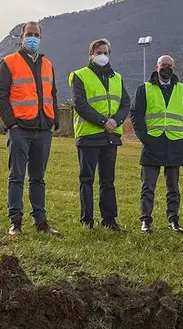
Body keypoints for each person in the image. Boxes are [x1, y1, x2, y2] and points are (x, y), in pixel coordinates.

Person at [0, 21, 61, 237]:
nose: (33, 37)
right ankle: (16, 222)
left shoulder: (48, 64)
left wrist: (54, 120)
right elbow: (0, 95)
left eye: (36, 34)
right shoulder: (9, 62)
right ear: (21, 37)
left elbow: (53, 93)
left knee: (38, 178)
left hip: (43, 128)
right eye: (29, 34)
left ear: (41, 38)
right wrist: (11, 124)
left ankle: (41, 222)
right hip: (20, 129)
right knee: (17, 176)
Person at [68, 39, 131, 232]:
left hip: (110, 138)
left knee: (108, 181)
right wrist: (104, 122)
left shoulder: (117, 78)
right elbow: (80, 104)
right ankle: (87, 220)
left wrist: (116, 121)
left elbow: (125, 103)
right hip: (89, 136)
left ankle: (109, 220)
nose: (103, 55)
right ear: (91, 55)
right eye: (99, 52)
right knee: (87, 179)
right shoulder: (80, 76)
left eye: (106, 52)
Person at [130, 55, 183, 233]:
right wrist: (144, 137)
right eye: (163, 65)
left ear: (174, 68)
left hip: (175, 143)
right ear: (156, 67)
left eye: (170, 65)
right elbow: (135, 114)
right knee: (148, 186)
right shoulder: (144, 88)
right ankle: (146, 220)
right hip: (152, 142)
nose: (167, 68)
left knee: (173, 187)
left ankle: (173, 220)